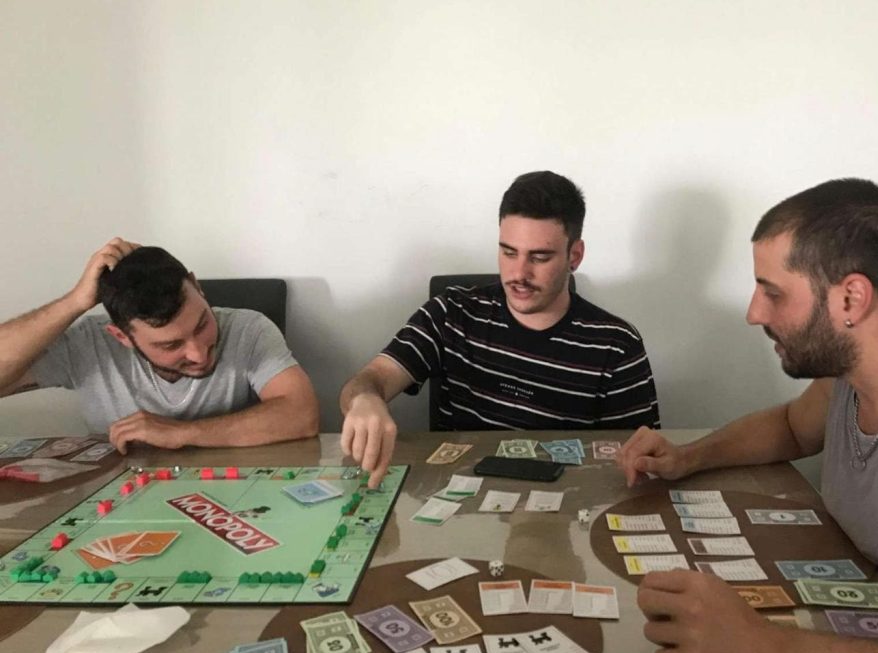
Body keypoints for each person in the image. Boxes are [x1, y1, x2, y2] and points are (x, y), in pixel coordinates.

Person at [618, 179, 878, 653]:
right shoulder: (851, 377)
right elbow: (791, 427)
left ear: (851, 299)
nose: (753, 313)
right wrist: (688, 456)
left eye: (773, 293)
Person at [341, 171, 660, 486]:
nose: (519, 273)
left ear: (574, 256)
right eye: (509, 252)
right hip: (458, 511)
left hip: (565, 514)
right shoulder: (452, 312)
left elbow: (636, 466)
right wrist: (365, 399)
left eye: (540, 257)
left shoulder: (617, 345)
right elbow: (368, 381)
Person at [0, 239, 319, 453]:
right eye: (171, 344)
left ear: (197, 287)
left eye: (202, 324)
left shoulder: (248, 327)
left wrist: (182, 433)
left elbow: (301, 413)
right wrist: (75, 301)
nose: (198, 352)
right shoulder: (88, 342)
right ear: (121, 336)